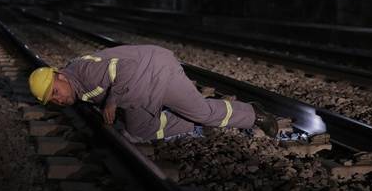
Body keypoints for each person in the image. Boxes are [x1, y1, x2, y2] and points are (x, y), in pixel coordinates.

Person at [28, 45, 277, 142]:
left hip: (158, 71)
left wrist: (112, 102)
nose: (58, 99)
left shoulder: (84, 72)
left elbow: (129, 68)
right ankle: (191, 123)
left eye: (55, 92)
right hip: (138, 92)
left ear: (60, 75)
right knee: (137, 133)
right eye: (53, 100)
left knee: (204, 112)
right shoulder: (76, 86)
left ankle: (255, 114)